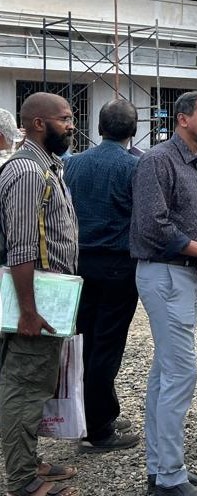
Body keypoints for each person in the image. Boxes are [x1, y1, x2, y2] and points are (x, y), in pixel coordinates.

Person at [131, 90, 197, 496]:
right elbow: (154, 225)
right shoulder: (158, 160)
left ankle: (161, 468)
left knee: (164, 373)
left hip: (182, 275)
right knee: (181, 374)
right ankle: (169, 477)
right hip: (165, 274)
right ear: (183, 119)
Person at [0, 93, 80, 496]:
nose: (71, 125)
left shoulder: (47, 166)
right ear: (37, 124)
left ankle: (28, 461)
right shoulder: (29, 171)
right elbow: (21, 247)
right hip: (34, 300)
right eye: (64, 119)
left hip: (45, 297)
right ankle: (22, 481)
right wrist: (29, 311)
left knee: (34, 383)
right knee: (25, 385)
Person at [64, 99, 141, 453]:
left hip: (78, 262)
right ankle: (98, 427)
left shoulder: (72, 165)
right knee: (107, 347)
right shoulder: (134, 166)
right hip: (116, 263)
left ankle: (93, 412)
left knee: (85, 341)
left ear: (98, 128)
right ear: (134, 130)